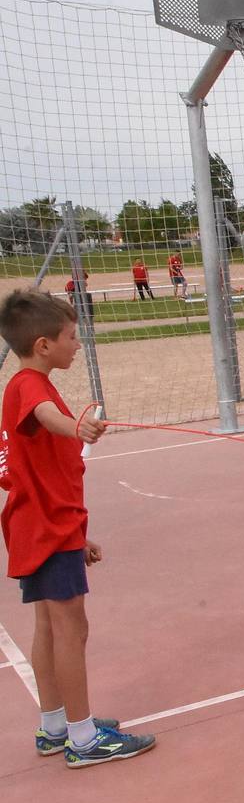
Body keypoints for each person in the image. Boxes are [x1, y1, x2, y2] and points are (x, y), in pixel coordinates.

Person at [0, 289, 156, 767]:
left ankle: (55, 726)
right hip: (45, 527)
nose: (77, 344)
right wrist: (77, 428)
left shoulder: (29, 384)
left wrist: (75, 535)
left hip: (44, 523)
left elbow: (41, 460)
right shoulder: (30, 386)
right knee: (72, 628)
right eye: (71, 336)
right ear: (43, 344)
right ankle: (84, 739)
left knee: (49, 626)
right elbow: (45, 418)